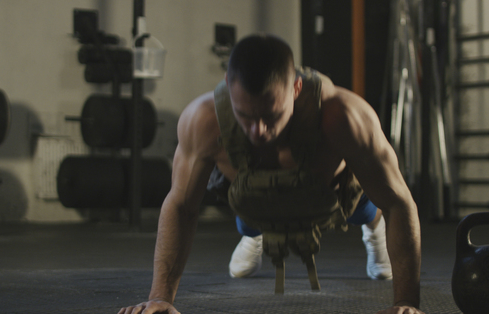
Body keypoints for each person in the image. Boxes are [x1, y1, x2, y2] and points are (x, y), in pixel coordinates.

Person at [118, 34, 424, 314]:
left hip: (331, 195)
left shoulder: (344, 116)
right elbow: (182, 206)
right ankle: (254, 234)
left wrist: (407, 303)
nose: (259, 131)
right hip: (255, 199)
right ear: (227, 84)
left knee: (367, 201)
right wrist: (160, 298)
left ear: (296, 88)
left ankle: (372, 231)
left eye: (271, 116)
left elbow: (398, 202)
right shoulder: (203, 119)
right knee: (253, 195)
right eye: (245, 116)